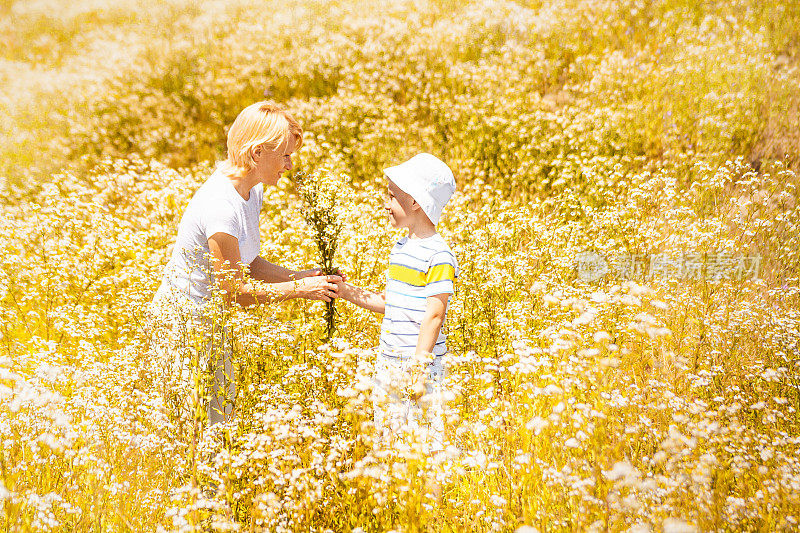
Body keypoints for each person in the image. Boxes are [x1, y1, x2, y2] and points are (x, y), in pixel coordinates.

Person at [150, 101, 342, 425]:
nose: (290, 165)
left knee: (220, 423)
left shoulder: (252, 192)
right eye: (284, 155)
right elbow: (235, 292)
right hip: (183, 328)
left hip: (211, 324)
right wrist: (301, 288)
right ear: (256, 154)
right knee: (190, 433)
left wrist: (303, 275)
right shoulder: (221, 206)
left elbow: (248, 264)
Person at [337, 153, 458, 452]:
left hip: (420, 367)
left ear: (415, 202)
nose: (386, 204)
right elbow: (389, 303)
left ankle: (431, 499)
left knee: (426, 446)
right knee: (388, 442)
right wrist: (342, 289)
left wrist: (418, 371)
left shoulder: (439, 254)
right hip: (389, 360)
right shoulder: (402, 247)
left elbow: (434, 314)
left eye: (392, 197)